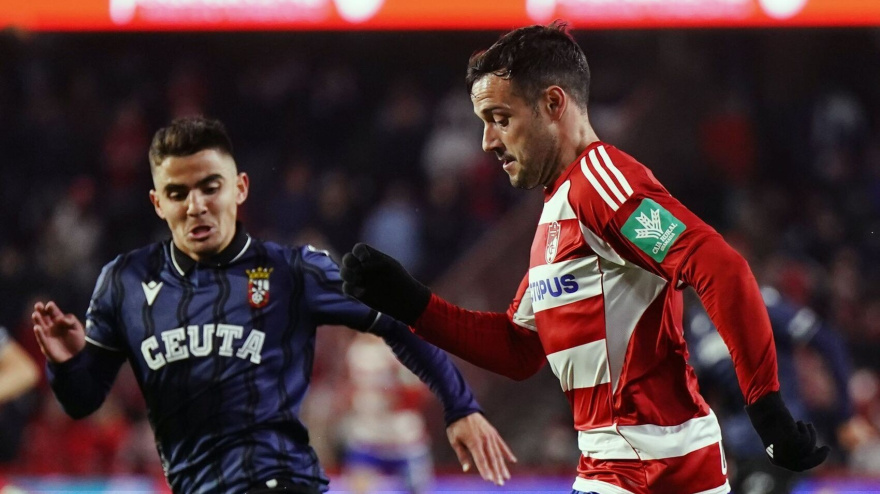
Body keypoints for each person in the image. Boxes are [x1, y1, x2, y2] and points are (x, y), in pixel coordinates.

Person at [340, 22, 828, 494]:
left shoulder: (599, 183)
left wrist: (767, 409)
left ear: (554, 104)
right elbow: (517, 348)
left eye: (500, 119)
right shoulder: (560, 208)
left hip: (646, 469)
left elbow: (721, 267)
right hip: (629, 466)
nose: (488, 141)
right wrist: (412, 303)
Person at [31, 117, 515, 494]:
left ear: (239, 188)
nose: (196, 205)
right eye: (178, 193)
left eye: (210, 187)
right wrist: (66, 364)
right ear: (158, 203)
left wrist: (459, 405)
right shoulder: (124, 281)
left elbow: (397, 320)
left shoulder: (292, 271)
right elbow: (82, 400)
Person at [685, 285, 859, 494]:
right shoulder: (697, 321)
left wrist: (845, 415)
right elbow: (701, 390)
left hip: (780, 441)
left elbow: (828, 342)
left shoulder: (761, 302)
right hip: (739, 450)